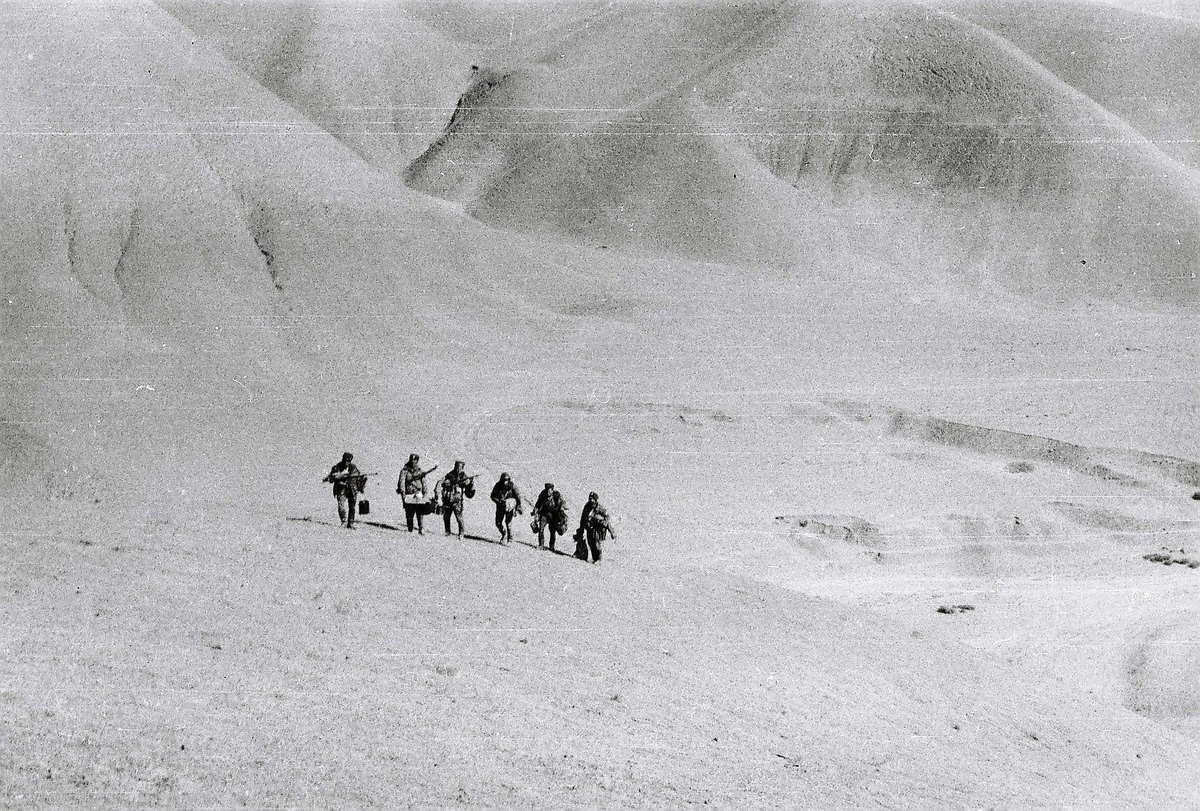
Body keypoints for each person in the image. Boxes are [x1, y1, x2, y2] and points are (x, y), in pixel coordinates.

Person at [323, 452, 364, 529]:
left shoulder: (353, 468)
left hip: (352, 490)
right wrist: (340, 475)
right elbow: (331, 478)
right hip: (341, 489)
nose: (346, 463)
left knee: (352, 507)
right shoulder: (337, 467)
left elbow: (358, 478)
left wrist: (360, 486)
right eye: (345, 461)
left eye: (348, 461)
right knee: (341, 505)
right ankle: (343, 521)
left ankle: (350, 523)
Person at [397, 453, 436, 534]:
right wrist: (403, 494)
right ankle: (410, 529)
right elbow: (402, 482)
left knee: (420, 512)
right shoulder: (405, 471)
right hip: (409, 493)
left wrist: (425, 492)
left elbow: (423, 482)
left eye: (415, 460)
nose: (413, 462)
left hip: (418, 493)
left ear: (417, 461)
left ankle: (421, 528)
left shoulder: (420, 471)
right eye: (411, 460)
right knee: (409, 513)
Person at [435, 460, 475, 537]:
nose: (458, 469)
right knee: (446, 516)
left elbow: (469, 491)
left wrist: (469, 484)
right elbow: (440, 482)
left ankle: (461, 533)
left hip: (457, 501)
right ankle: (447, 531)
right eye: (457, 467)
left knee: (459, 518)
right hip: (448, 499)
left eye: (460, 467)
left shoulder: (464, 477)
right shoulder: (449, 475)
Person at [577, 491, 615, 564]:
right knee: (590, 543)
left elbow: (607, 516)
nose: (591, 500)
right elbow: (583, 517)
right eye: (590, 498)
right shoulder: (587, 506)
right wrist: (581, 528)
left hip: (597, 528)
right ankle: (595, 558)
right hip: (589, 527)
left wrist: (605, 524)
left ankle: (599, 559)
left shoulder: (599, 507)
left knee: (596, 543)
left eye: (592, 499)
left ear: (595, 500)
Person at [531, 482, 567, 551]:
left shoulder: (556, 495)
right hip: (544, 514)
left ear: (552, 490)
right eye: (547, 490)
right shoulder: (543, 494)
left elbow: (563, 502)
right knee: (541, 529)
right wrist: (535, 511)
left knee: (552, 531)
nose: (548, 492)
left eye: (550, 490)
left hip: (553, 515)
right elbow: (538, 504)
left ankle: (552, 547)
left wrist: (561, 508)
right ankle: (541, 545)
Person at [489, 472, 523, 545]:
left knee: (508, 523)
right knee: (498, 523)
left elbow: (518, 497)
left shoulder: (512, 487)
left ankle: (510, 538)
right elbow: (492, 496)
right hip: (500, 507)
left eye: (506, 481)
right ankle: (504, 533)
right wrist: (499, 501)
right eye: (503, 480)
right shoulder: (498, 486)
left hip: (509, 508)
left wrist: (517, 508)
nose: (505, 482)